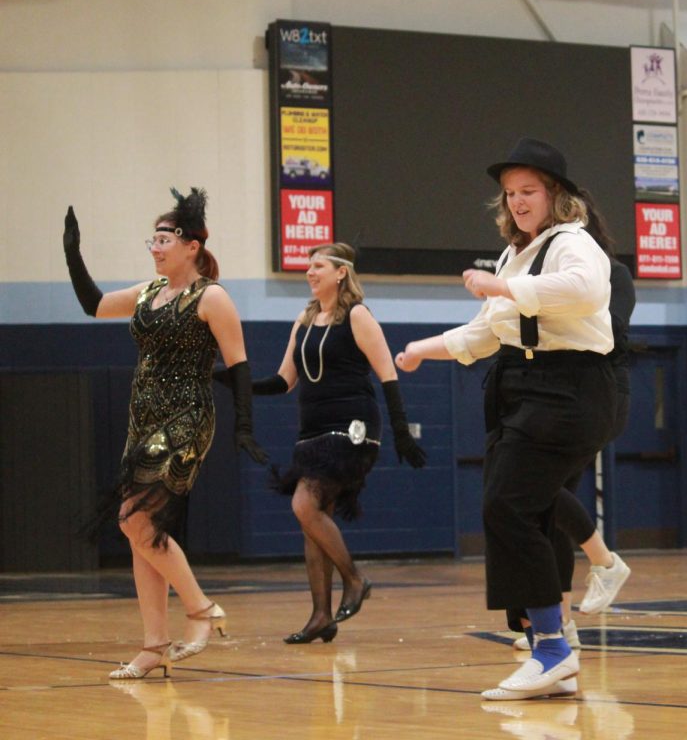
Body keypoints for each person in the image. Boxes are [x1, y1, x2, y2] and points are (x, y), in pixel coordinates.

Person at [395, 138, 617, 701]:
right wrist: (423, 347)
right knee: (524, 508)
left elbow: (587, 291)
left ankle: (552, 649)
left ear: (555, 195)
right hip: (525, 388)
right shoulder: (514, 254)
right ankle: (551, 642)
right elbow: (486, 331)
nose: (517, 202)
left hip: (570, 389)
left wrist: (505, 287)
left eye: (529, 192)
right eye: (510, 194)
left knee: (507, 504)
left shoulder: (573, 241)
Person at [62, 190, 268, 679]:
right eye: (151, 239)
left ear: (191, 245)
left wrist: (243, 426)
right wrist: (73, 253)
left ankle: (200, 609)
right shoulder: (148, 291)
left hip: (187, 419)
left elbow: (238, 364)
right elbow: (93, 304)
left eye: (164, 239)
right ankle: (154, 644)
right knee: (137, 530)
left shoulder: (212, 296)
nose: (155, 247)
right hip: (143, 420)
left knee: (136, 521)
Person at [231, 242, 426, 644]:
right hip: (313, 430)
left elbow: (388, 374)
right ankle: (321, 615)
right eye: (309, 265)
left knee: (303, 504)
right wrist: (236, 383)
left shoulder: (357, 315)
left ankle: (355, 579)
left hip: (352, 427)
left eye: (318, 265)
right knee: (312, 522)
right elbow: (284, 380)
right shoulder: (302, 320)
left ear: (341, 273)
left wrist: (402, 432)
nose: (310, 271)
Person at [511, 195, 633, 653]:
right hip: (548, 391)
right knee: (541, 501)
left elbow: (612, 332)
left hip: (598, 391)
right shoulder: (534, 270)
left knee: (539, 490)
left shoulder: (610, 274)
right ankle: (560, 621)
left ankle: (603, 563)